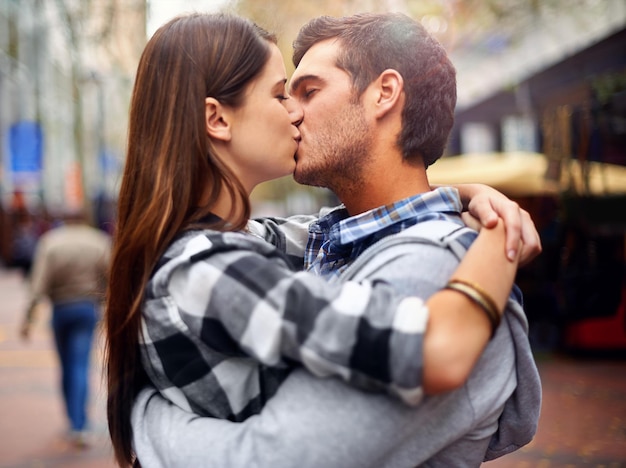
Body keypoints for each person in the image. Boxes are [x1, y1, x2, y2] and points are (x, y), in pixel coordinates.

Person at [106, 12, 541, 467]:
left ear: (384, 94)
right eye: (280, 95)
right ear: (215, 119)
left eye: (307, 91)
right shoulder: (250, 256)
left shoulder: (433, 263)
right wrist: (486, 220)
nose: (292, 112)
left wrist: (147, 419)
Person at [20, 209, 111, 448]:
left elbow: (38, 283)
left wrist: (28, 320)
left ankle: (74, 423)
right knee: (80, 365)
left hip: (61, 308)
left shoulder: (51, 242)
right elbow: (112, 277)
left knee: (66, 366)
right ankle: (81, 426)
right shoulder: (98, 241)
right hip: (87, 308)